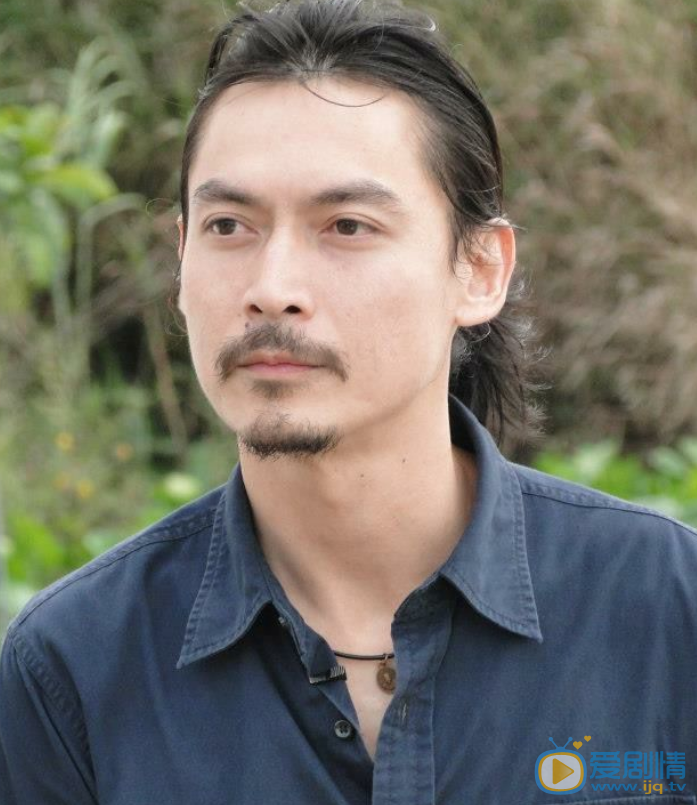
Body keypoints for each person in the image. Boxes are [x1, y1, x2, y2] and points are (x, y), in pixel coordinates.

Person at [2, 0, 697, 802]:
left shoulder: (667, 612)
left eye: (347, 226)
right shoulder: (72, 668)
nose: (272, 289)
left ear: (479, 270)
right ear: (181, 263)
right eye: (228, 225)